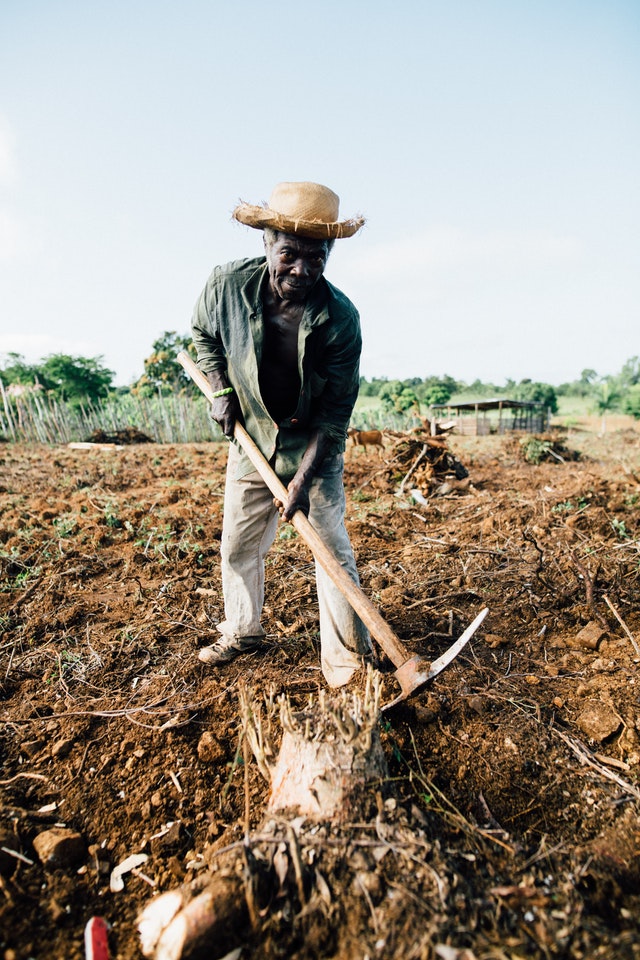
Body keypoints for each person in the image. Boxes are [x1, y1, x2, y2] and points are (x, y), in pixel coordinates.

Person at [191, 181, 372, 688]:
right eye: (289, 253)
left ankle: (346, 665)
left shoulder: (341, 320)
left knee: (331, 550)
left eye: (316, 258)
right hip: (252, 435)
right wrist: (220, 388)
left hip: (313, 442)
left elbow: (335, 415)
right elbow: (202, 334)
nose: (302, 270)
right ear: (266, 243)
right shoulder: (224, 286)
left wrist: (302, 481)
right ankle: (243, 631)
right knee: (239, 542)